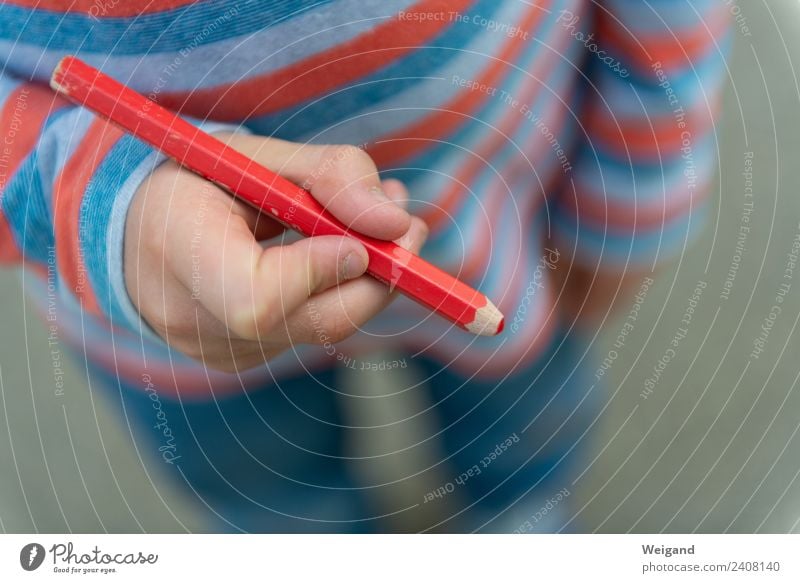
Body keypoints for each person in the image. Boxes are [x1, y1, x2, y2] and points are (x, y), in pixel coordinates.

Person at [0, 0, 731, 532]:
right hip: (161, 319)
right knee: (271, 493)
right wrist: (103, 207)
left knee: (526, 421)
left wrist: (631, 208)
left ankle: (518, 507)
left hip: (508, 234)